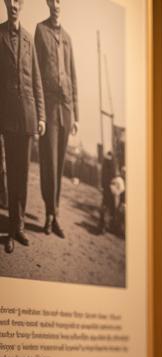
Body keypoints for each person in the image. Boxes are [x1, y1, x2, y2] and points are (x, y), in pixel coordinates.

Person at [0, 0, 44, 254]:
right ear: (5, 3)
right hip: (6, 117)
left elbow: (36, 79)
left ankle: (19, 228)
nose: (14, 4)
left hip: (27, 118)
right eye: (10, 0)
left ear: (22, 4)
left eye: (18, 0)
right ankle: (8, 231)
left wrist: (41, 117)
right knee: (8, 175)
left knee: (23, 175)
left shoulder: (29, 39)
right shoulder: (0, 34)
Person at [34, 0, 77, 239]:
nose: (57, 4)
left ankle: (55, 212)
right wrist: (39, 111)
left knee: (59, 165)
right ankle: (50, 214)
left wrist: (77, 114)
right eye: (53, 0)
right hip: (48, 109)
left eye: (60, 1)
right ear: (48, 3)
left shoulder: (69, 38)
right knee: (48, 163)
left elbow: (73, 75)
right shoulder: (40, 31)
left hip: (66, 110)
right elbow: (37, 71)